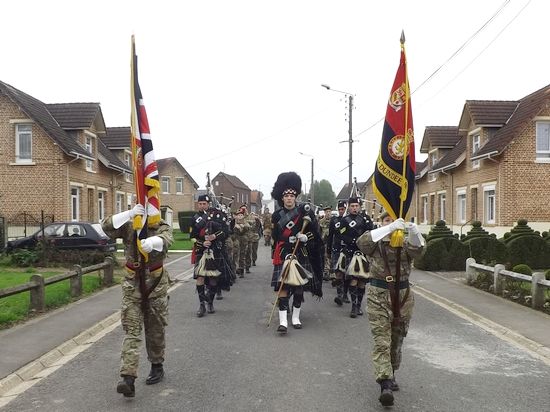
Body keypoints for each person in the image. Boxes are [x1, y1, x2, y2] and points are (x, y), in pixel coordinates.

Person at [102, 204, 174, 398]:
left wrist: (153, 242)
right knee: (131, 330)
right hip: (132, 286)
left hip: (155, 286)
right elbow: (106, 227)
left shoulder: (161, 225)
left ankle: (157, 365)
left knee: (155, 329)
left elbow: (168, 240)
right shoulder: (129, 225)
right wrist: (129, 214)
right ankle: (128, 378)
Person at [356, 211, 425, 407]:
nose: (392, 223)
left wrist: (413, 231)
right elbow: (361, 243)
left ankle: (391, 371)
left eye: (395, 221)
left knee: (397, 340)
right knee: (382, 341)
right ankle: (385, 383)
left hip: (402, 297)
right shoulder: (375, 243)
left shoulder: (405, 244)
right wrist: (388, 228)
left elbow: (419, 250)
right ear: (382, 223)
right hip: (378, 295)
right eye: (388, 220)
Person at [270, 172, 323, 333]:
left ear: (296, 197)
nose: (289, 198)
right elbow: (275, 236)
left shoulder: (305, 213)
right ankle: (283, 321)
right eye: (286, 195)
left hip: (301, 252)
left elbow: (316, 234)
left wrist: (305, 237)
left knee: (299, 288)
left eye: (292, 195)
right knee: (283, 287)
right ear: (282, 197)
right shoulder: (276, 216)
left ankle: (295, 317)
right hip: (284, 253)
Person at [335, 197, 374, 317]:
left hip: (363, 253)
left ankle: (358, 306)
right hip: (350, 252)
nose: (354, 208)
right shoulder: (344, 220)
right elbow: (340, 234)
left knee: (362, 281)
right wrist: (353, 241)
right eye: (352, 206)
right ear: (349, 207)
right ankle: (353, 306)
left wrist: (363, 242)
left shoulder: (365, 220)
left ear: (359, 206)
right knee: (353, 279)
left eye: (356, 206)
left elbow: (371, 233)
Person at [191, 194, 228, 317]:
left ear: (208, 204)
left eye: (204, 204)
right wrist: (202, 243)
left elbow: (225, 232)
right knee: (200, 277)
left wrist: (214, 236)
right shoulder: (195, 218)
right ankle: (202, 305)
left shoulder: (217, 216)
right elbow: (191, 238)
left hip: (214, 251)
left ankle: (210, 302)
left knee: (213, 278)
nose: (202, 206)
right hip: (201, 251)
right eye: (200, 204)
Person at [232, 208, 250, 278]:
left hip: (243, 241)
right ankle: (235, 270)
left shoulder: (245, 223)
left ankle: (241, 270)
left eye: (241, 215)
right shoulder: (234, 223)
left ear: (243, 216)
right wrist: (235, 227)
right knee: (235, 255)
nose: (239, 216)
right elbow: (232, 232)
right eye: (238, 215)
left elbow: (247, 231)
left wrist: (243, 227)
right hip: (236, 241)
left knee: (242, 256)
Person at [318, 205, 333, 281]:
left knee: (331, 256)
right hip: (324, 241)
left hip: (332, 241)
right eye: (327, 212)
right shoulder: (321, 221)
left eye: (329, 211)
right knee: (325, 256)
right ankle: (326, 272)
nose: (328, 213)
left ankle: (331, 271)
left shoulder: (333, 221)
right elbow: (319, 232)